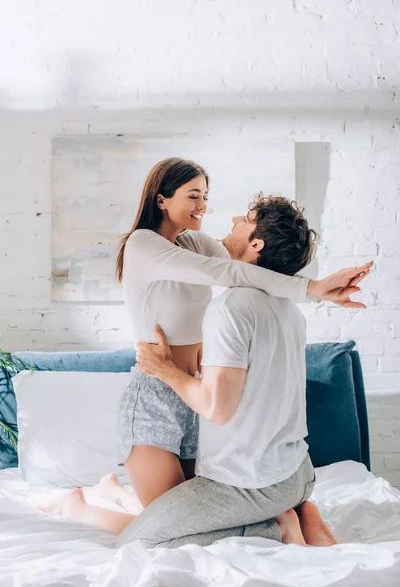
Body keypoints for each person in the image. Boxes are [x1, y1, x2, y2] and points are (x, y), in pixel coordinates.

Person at [40, 159, 371, 534]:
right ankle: (77, 506)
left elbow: (252, 271)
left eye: (205, 196)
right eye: (193, 195)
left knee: (187, 515)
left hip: (195, 391)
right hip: (156, 396)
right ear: (161, 199)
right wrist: (312, 289)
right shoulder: (142, 244)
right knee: (172, 523)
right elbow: (226, 272)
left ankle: (113, 491)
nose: (204, 206)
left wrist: (320, 292)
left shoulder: (194, 243)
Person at [116, 195, 353, 548]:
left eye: (244, 219)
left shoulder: (231, 308)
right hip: (297, 472)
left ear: (256, 243)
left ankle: (278, 525)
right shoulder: (288, 308)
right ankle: (298, 509)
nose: (231, 219)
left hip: (256, 482)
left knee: (137, 542)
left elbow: (216, 408)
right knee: (163, 511)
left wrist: (167, 370)